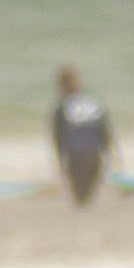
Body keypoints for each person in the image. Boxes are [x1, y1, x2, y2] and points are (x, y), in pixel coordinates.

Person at [50, 66, 116, 207]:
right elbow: (105, 128)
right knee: (87, 198)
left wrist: (60, 159)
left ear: (61, 86)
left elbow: (58, 136)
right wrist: (109, 152)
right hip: (94, 154)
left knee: (80, 199)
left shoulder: (62, 106)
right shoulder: (93, 101)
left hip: (76, 156)